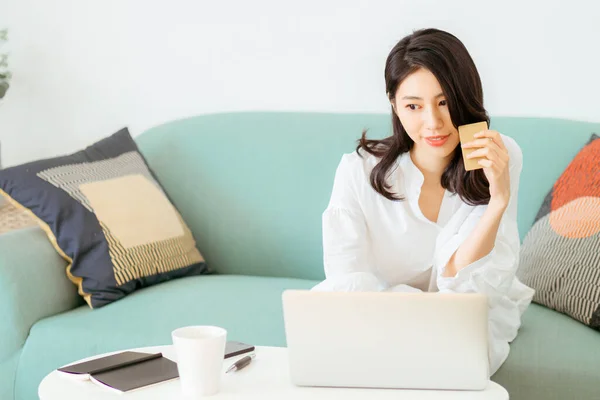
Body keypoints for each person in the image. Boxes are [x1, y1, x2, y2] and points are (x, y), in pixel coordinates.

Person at [312, 28, 535, 376]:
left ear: (467, 96)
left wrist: (498, 201)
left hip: (462, 321)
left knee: (444, 359)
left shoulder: (499, 155)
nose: (433, 123)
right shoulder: (357, 171)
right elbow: (346, 283)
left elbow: (469, 291)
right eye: (413, 106)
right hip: (379, 319)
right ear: (394, 104)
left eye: (445, 102)